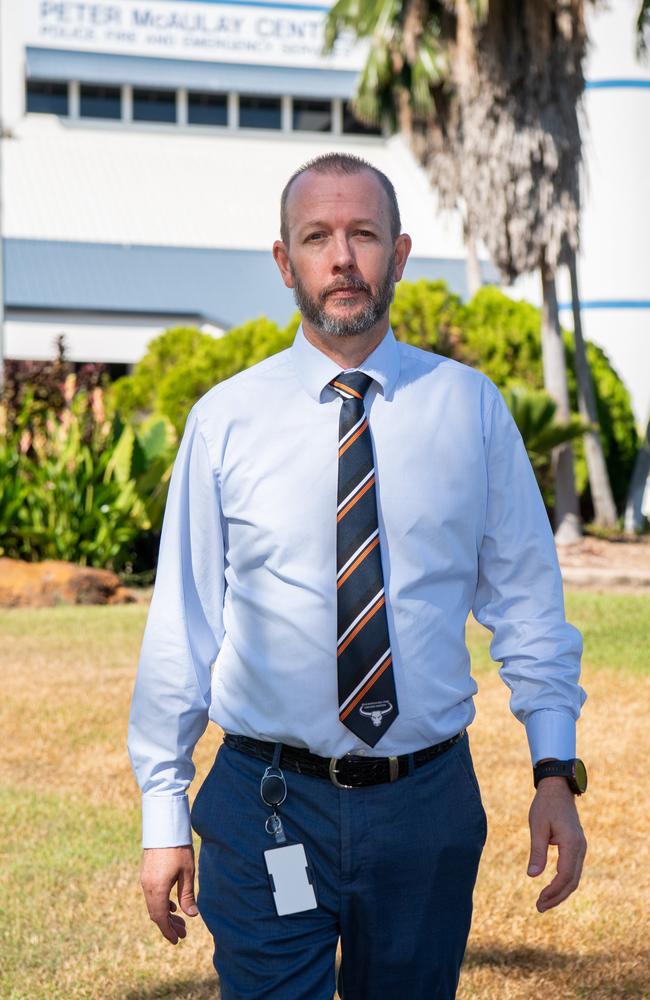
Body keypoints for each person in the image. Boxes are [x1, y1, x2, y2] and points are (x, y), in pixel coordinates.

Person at [128, 152, 587, 1000]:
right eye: (317, 236)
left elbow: (529, 605)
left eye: (363, 234)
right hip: (267, 805)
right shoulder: (226, 421)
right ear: (284, 261)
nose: (342, 257)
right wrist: (165, 813)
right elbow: (183, 627)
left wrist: (553, 769)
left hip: (427, 808)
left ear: (400, 254)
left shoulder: (470, 408)